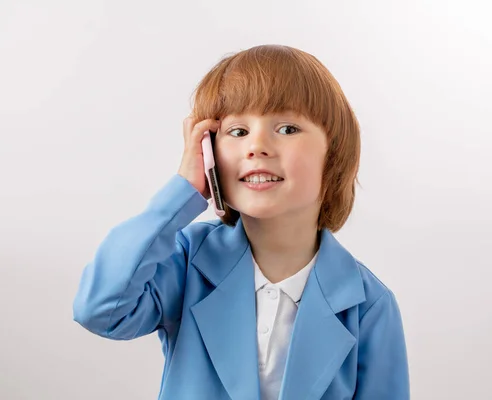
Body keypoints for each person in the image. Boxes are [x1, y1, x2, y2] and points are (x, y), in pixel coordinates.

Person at [73, 44, 410, 400]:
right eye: (237, 132)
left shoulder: (368, 305)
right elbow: (101, 309)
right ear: (208, 154)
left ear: (335, 154)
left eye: (287, 127)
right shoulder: (188, 264)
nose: (258, 146)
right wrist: (183, 192)